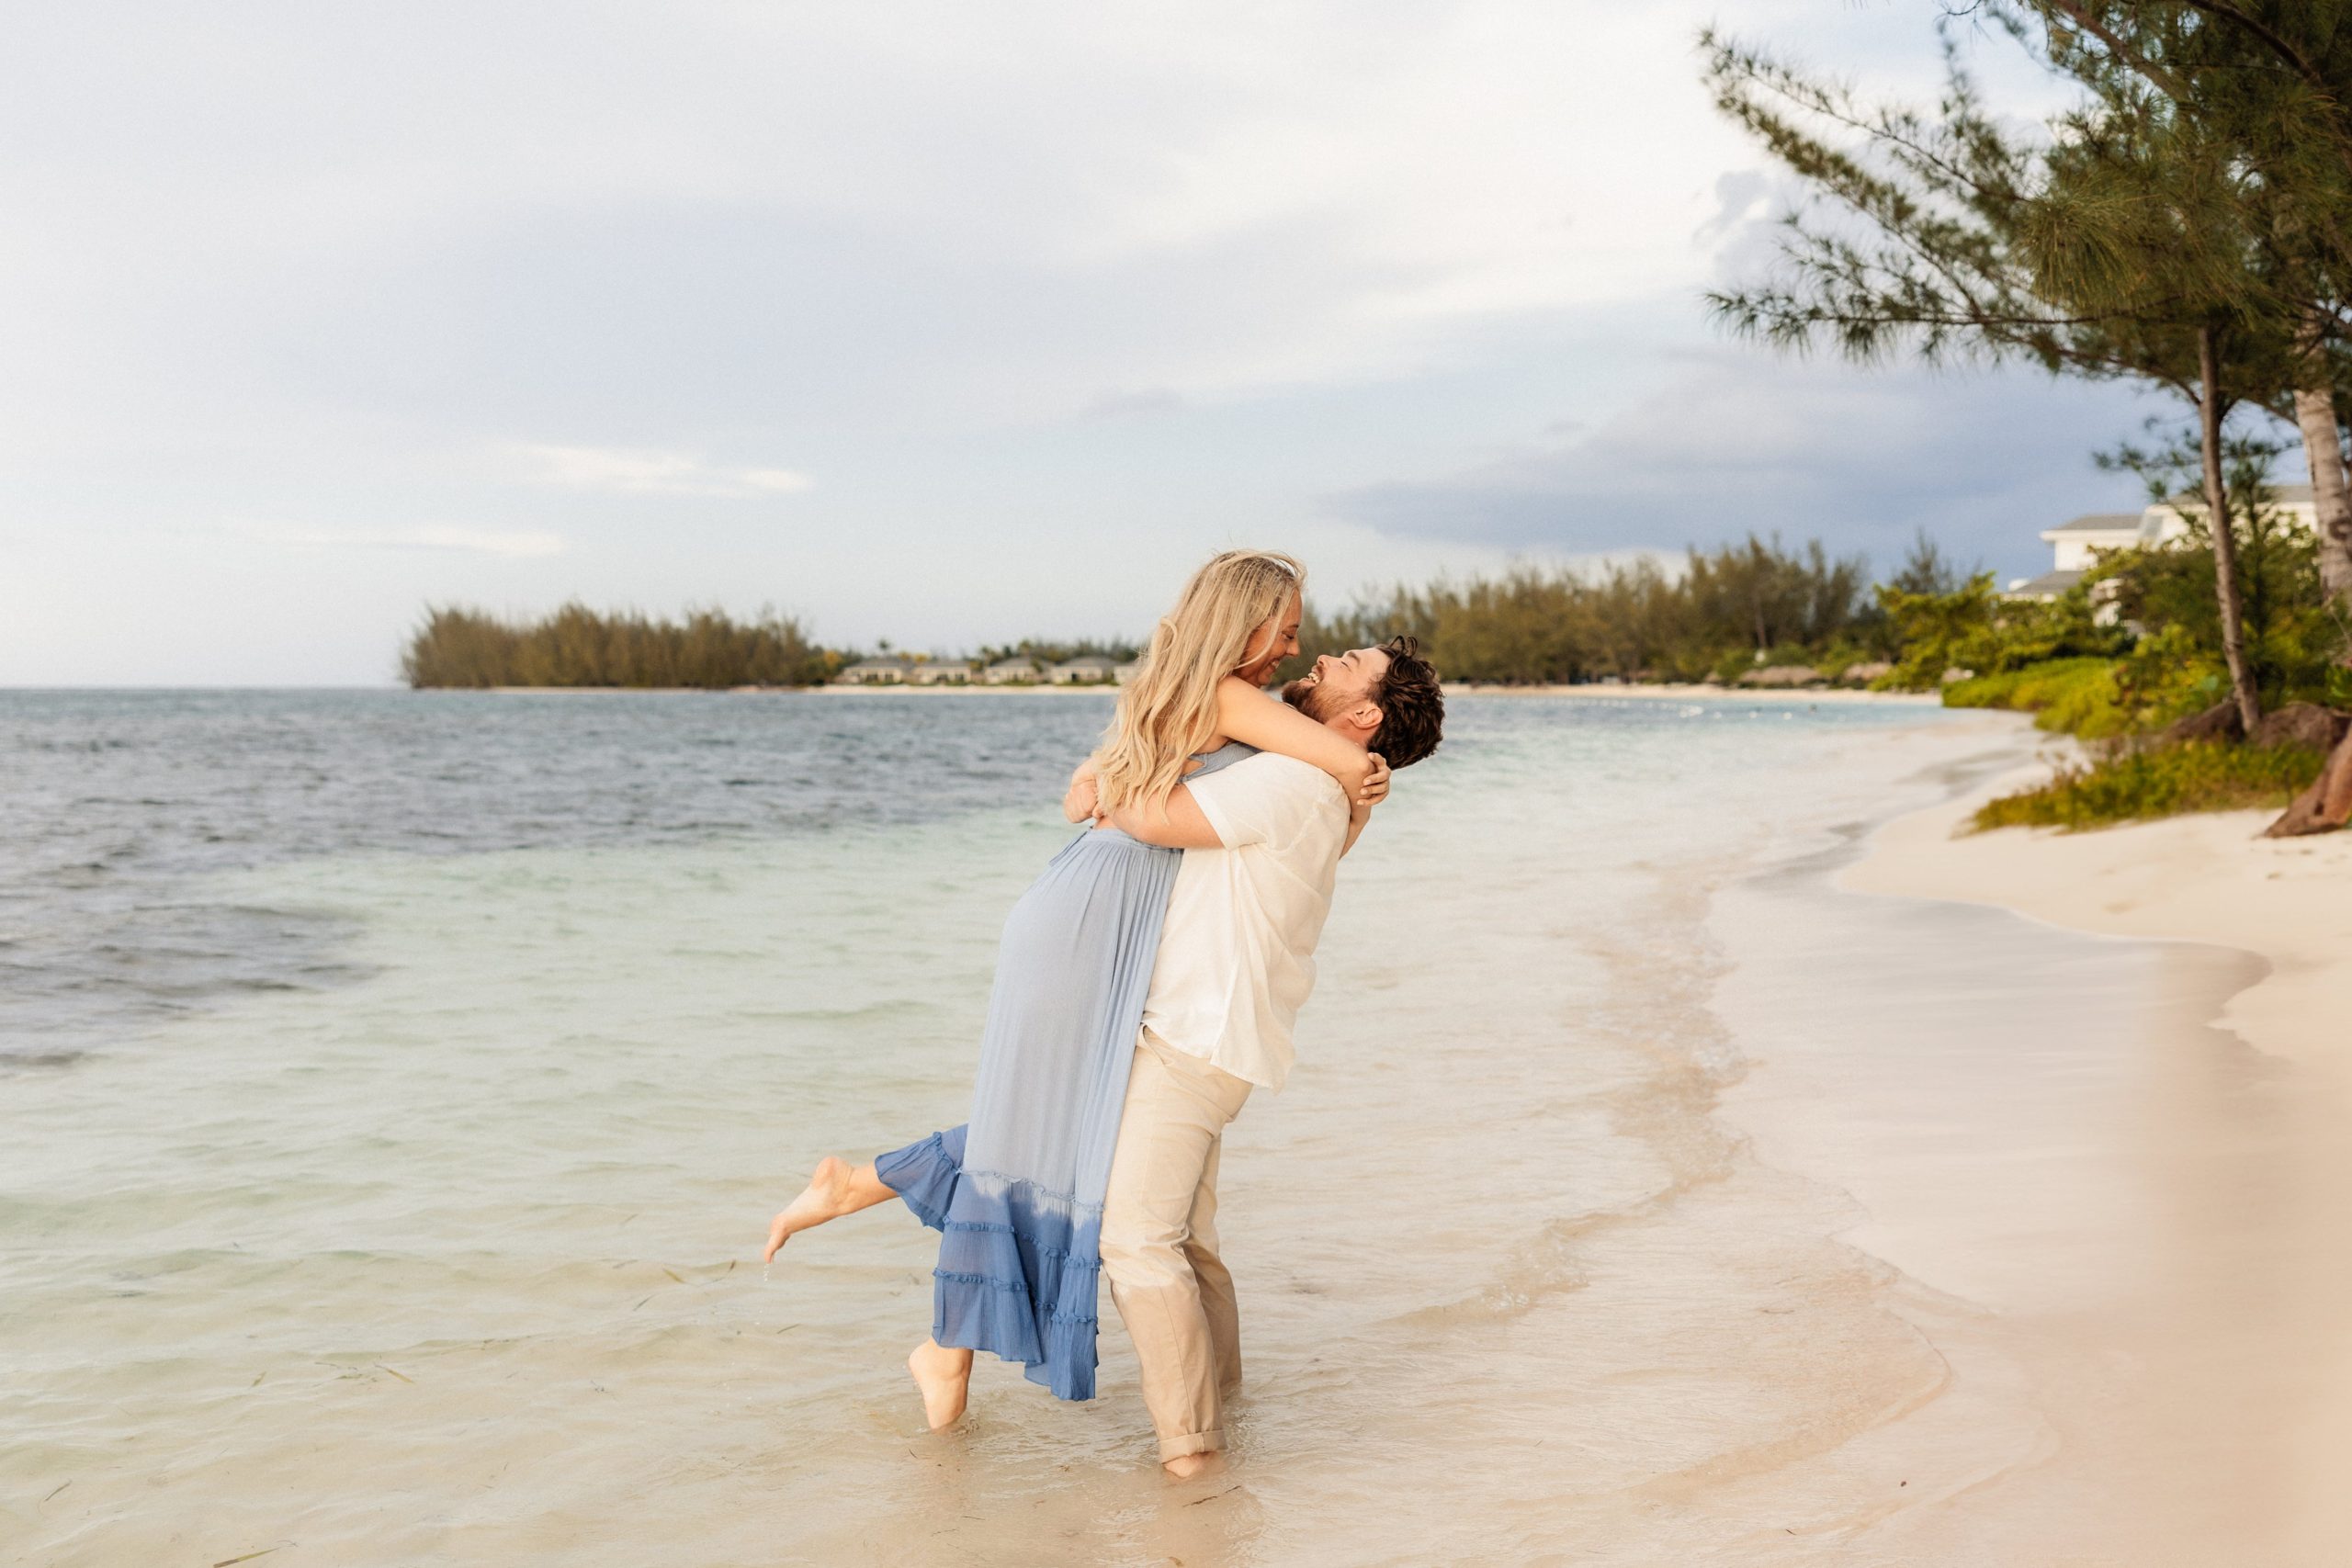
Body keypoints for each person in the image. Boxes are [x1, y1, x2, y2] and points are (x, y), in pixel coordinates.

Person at [759, 551, 1389, 1423]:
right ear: (1240, 621)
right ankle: (893, 1236)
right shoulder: (1225, 695)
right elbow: (1327, 766)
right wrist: (1363, 780)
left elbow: (1080, 794)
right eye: (1284, 631)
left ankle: (910, 1272)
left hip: (1096, 907)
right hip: (1093, 920)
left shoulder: (1187, 693)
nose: (1293, 649)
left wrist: (1123, 783)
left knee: (1060, 1125)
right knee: (1059, 1128)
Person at [1081, 636, 1444, 1476]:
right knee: (1189, 1239)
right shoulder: (1324, 789)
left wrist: (1102, 779)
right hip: (1222, 1043)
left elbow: (1146, 816)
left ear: (1364, 714)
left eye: (1345, 665)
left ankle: (1191, 1450)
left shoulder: (1292, 780)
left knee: (1136, 1242)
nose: (1319, 660)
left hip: (1192, 1037)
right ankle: (1227, 1403)